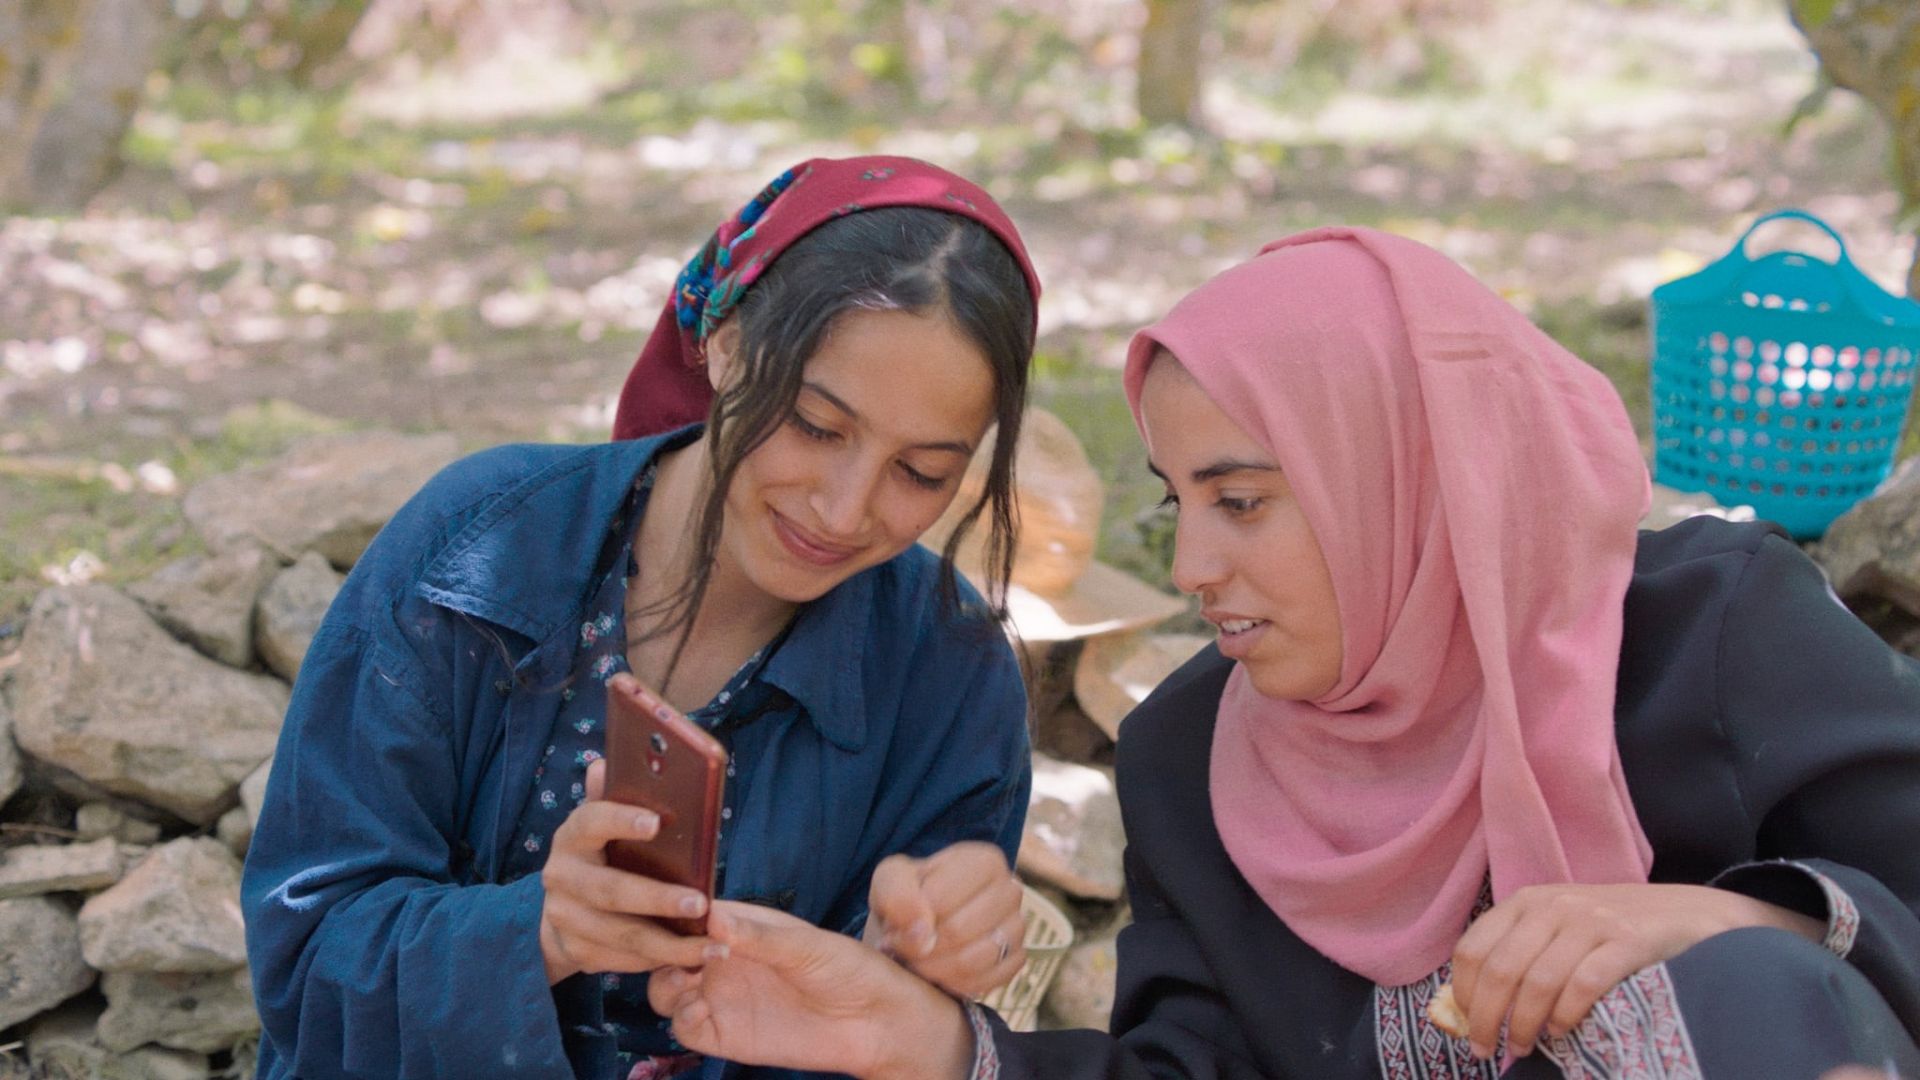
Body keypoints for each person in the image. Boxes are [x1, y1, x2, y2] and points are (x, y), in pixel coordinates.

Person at [638, 227, 1920, 1080]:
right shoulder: (1195, 753)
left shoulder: (1713, 633)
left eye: (1243, 501)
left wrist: (1729, 919)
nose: (1193, 568)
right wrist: (928, 1044)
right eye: (1176, 502)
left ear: (1408, 478)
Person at [240, 156, 1048, 1080]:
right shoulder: (476, 551)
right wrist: (538, 930)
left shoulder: (948, 673)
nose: (843, 508)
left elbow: (911, 1032)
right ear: (727, 343)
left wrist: (930, 968)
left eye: (921, 473)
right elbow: (304, 964)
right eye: (817, 426)